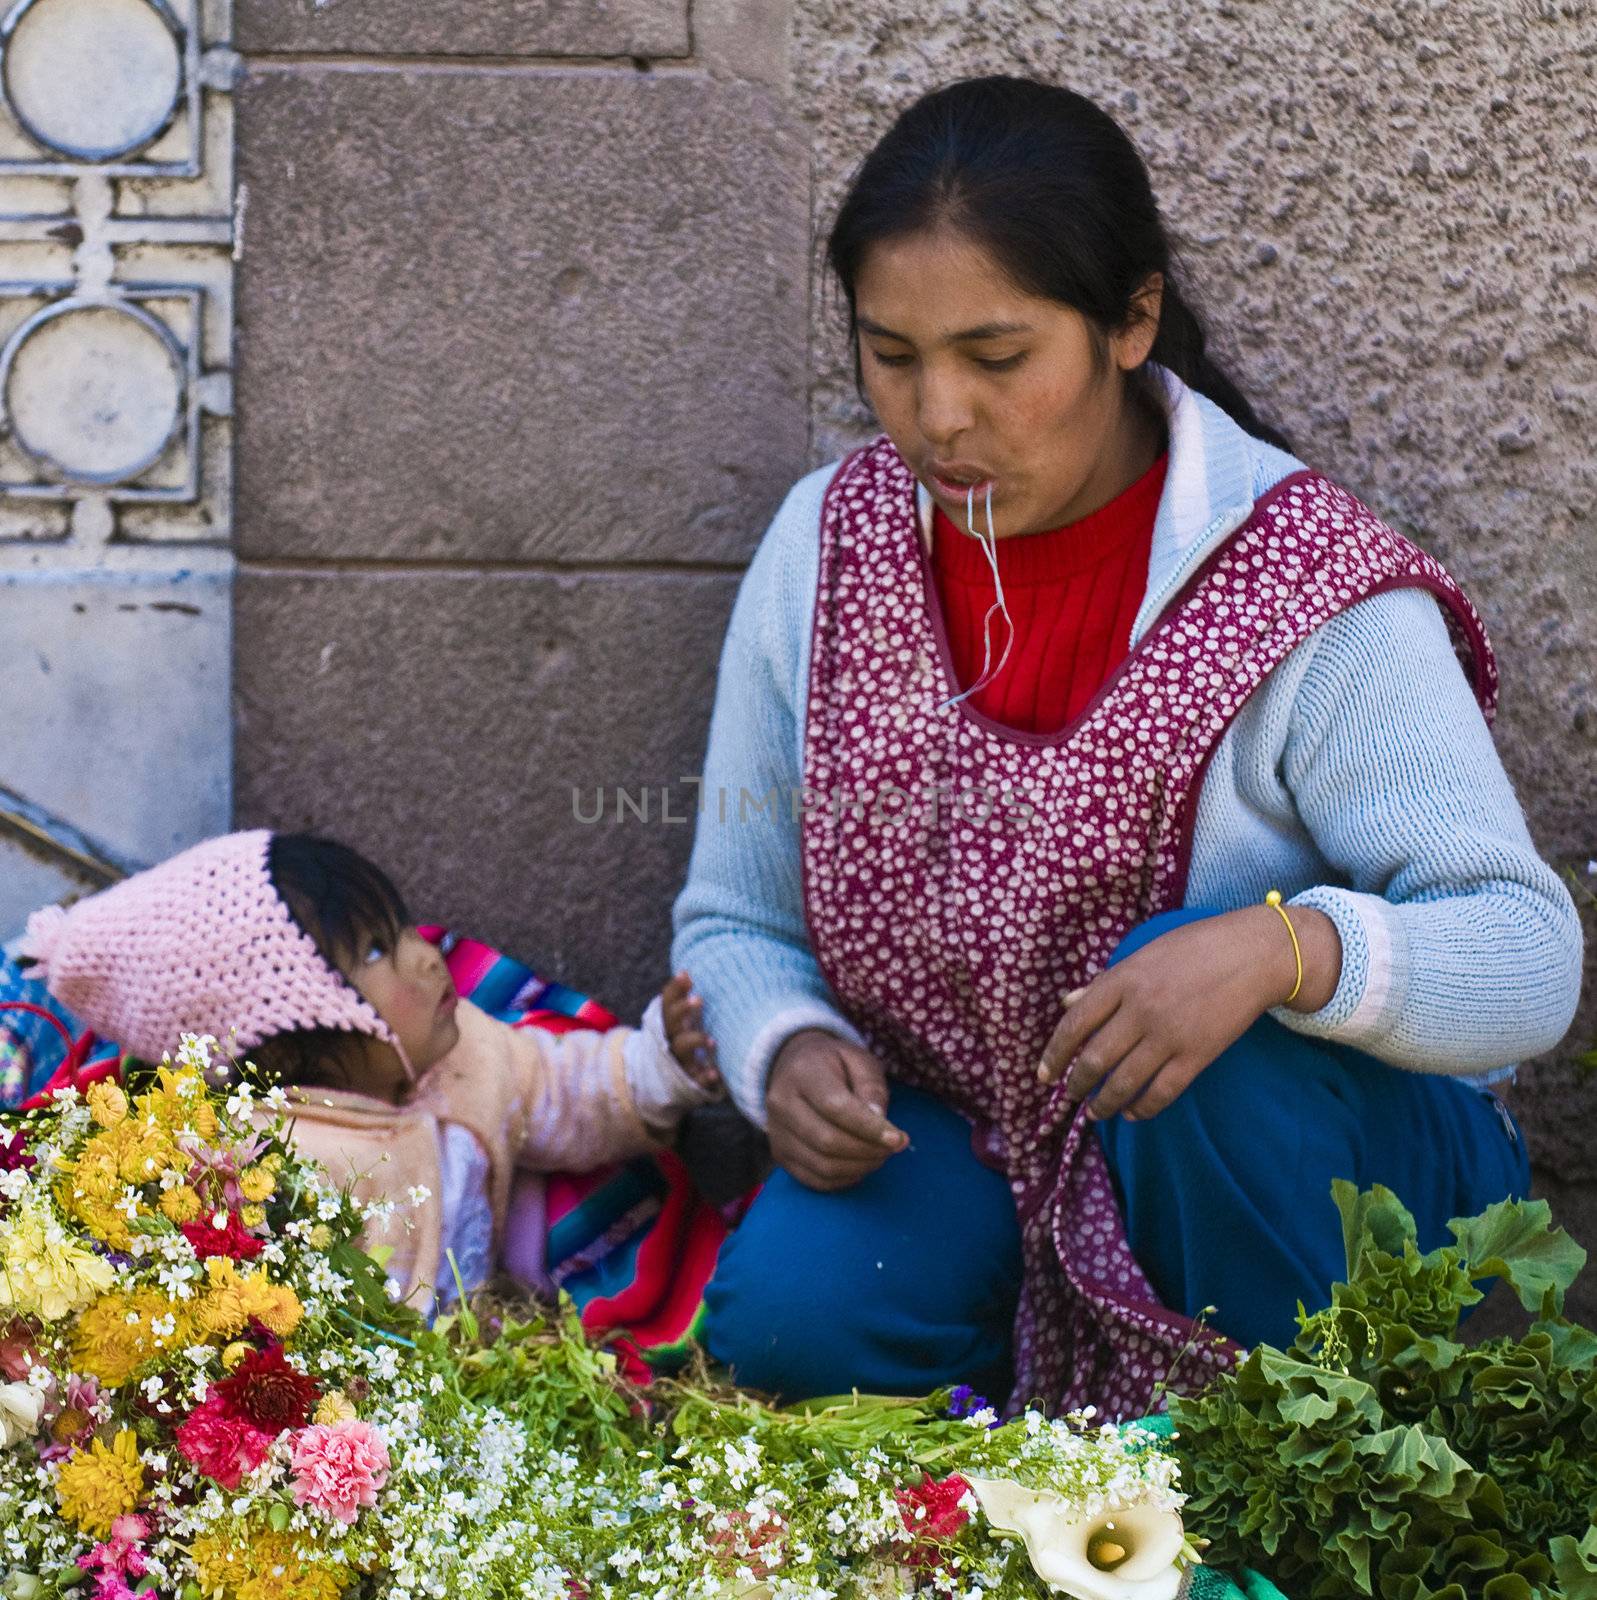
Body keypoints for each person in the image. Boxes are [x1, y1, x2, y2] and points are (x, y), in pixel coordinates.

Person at [673, 76, 1583, 1415]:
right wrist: (784, 1048)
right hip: (975, 1129)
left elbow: (1526, 954)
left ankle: (1287, 1463)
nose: (936, 418)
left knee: (1197, 1010)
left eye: (996, 360)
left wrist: (1282, 950)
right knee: (790, 1331)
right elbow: (731, 920)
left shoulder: (1303, 590)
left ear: (1128, 322)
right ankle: (1032, 1501)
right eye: (890, 355)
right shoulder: (828, 547)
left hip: (1282, 1156)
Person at [19, 830, 722, 1313]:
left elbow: (566, 1087)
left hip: (482, 1354)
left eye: (403, 927)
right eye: (379, 951)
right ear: (284, 1040)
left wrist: (661, 1063)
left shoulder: (467, 1052)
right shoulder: (266, 1160)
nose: (426, 955)